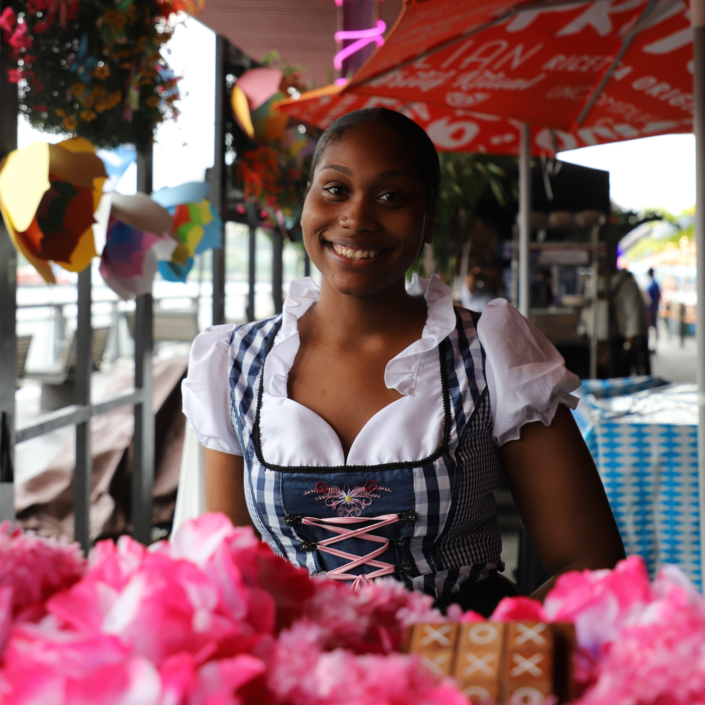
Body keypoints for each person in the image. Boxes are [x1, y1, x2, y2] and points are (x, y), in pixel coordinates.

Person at [182, 108, 624, 615]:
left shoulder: (490, 353)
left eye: (391, 196)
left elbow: (591, 563)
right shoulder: (233, 365)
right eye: (335, 189)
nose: (357, 217)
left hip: (458, 678)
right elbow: (230, 575)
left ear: (429, 218)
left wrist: (481, 661)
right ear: (305, 203)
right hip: (304, 680)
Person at [610, 266, 651, 376]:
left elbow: (634, 313)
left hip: (630, 337)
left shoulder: (625, 284)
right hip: (629, 335)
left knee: (633, 370)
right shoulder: (623, 282)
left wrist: (629, 341)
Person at [647, 268, 661, 349]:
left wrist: (655, 308)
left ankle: (654, 346)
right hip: (651, 309)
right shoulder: (652, 283)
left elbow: (658, 296)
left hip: (653, 309)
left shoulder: (654, 284)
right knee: (652, 328)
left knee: (654, 328)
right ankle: (652, 345)